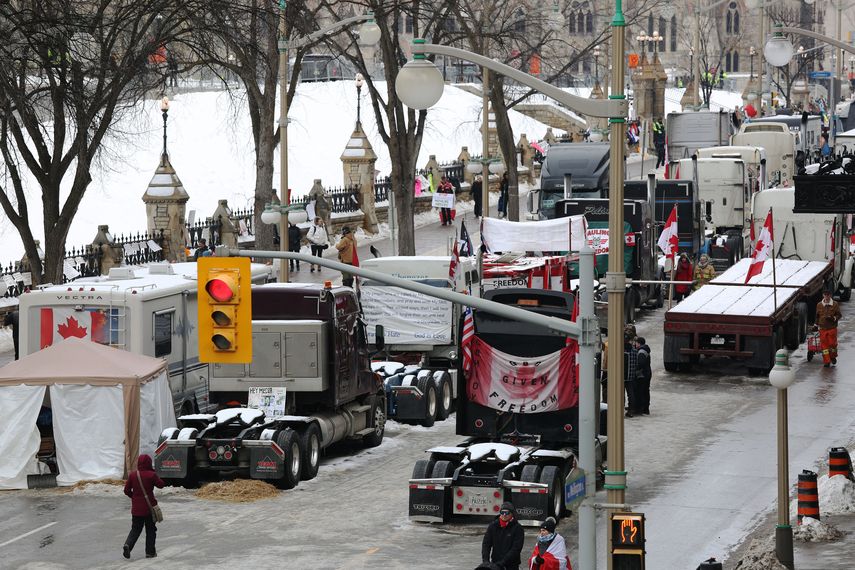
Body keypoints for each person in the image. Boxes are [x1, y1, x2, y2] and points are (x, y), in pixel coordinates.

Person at [122, 454, 164, 559]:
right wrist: (155, 474)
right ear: (149, 463)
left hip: (136, 509)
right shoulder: (151, 475)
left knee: (135, 529)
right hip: (149, 509)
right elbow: (161, 484)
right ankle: (150, 552)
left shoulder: (132, 475)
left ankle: (128, 545)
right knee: (150, 530)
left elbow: (126, 490)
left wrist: (134, 497)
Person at [481, 502, 524, 570]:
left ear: (512, 514)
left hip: (511, 565)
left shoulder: (518, 528)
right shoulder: (493, 526)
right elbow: (486, 544)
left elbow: (516, 548)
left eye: (507, 513)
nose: (504, 515)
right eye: (502, 512)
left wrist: (502, 563)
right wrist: (485, 561)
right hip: (495, 563)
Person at [816, 289, 842, 367]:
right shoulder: (819, 305)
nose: (826, 296)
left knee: (832, 344)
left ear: (830, 295)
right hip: (822, 328)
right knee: (824, 346)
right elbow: (817, 316)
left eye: (828, 295)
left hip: (832, 328)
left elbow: (839, 315)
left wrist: (833, 318)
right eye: (825, 295)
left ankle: (833, 356)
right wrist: (815, 325)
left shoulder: (835, 304)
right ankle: (826, 361)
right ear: (823, 295)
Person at [634, 336, 652, 415]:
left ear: (638, 343)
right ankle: (646, 408)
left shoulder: (641, 352)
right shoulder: (645, 350)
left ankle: (642, 409)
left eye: (636, 343)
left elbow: (641, 364)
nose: (635, 344)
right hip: (647, 373)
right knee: (646, 391)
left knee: (641, 391)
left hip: (643, 375)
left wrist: (636, 370)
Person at [624, 325, 638, 417]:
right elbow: (636, 364)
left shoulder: (620, 350)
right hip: (631, 376)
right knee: (631, 394)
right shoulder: (634, 351)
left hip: (622, 376)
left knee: (620, 395)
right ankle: (631, 410)